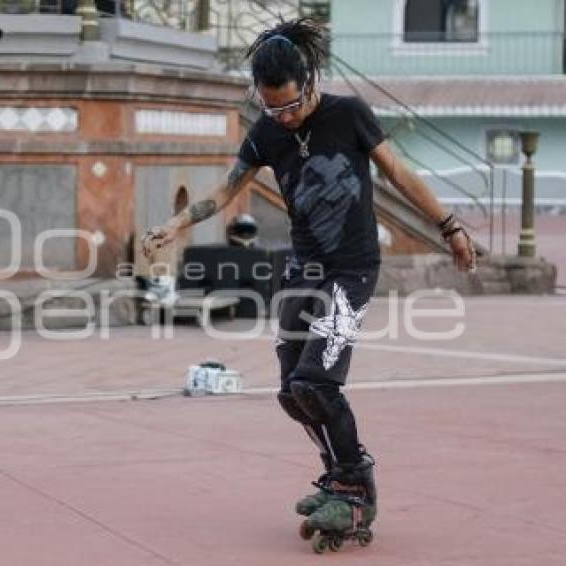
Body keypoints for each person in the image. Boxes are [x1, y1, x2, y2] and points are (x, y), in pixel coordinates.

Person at [142, 18, 475, 547]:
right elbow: (226, 191)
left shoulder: (350, 115)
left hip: (351, 268)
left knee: (316, 381)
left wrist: (449, 226)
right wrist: (174, 225)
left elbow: (399, 174)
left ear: (311, 81)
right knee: (292, 393)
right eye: (273, 108)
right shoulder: (268, 131)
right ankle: (336, 474)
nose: (285, 116)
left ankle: (356, 485)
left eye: (292, 105)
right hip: (304, 269)